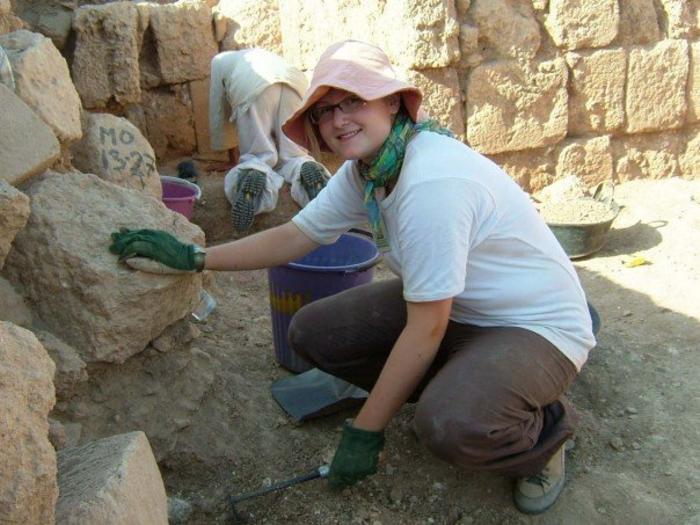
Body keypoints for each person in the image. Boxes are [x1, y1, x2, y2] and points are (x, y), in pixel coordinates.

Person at [110, 40, 596, 515]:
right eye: (324, 111)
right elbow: (296, 236)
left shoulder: (433, 184)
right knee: (313, 333)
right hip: (462, 312)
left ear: (391, 104)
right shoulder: (369, 171)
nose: (338, 120)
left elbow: (426, 327)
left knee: (451, 426)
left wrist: (366, 432)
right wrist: (196, 256)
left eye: (353, 102)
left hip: (534, 326)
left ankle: (545, 433)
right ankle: (466, 384)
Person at [209, 48, 330, 232]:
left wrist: (230, 157)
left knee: (259, 155)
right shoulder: (262, 55)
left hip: (254, 85)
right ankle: (303, 166)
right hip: (295, 82)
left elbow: (219, 113)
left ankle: (253, 171)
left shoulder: (219, 61)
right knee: (294, 152)